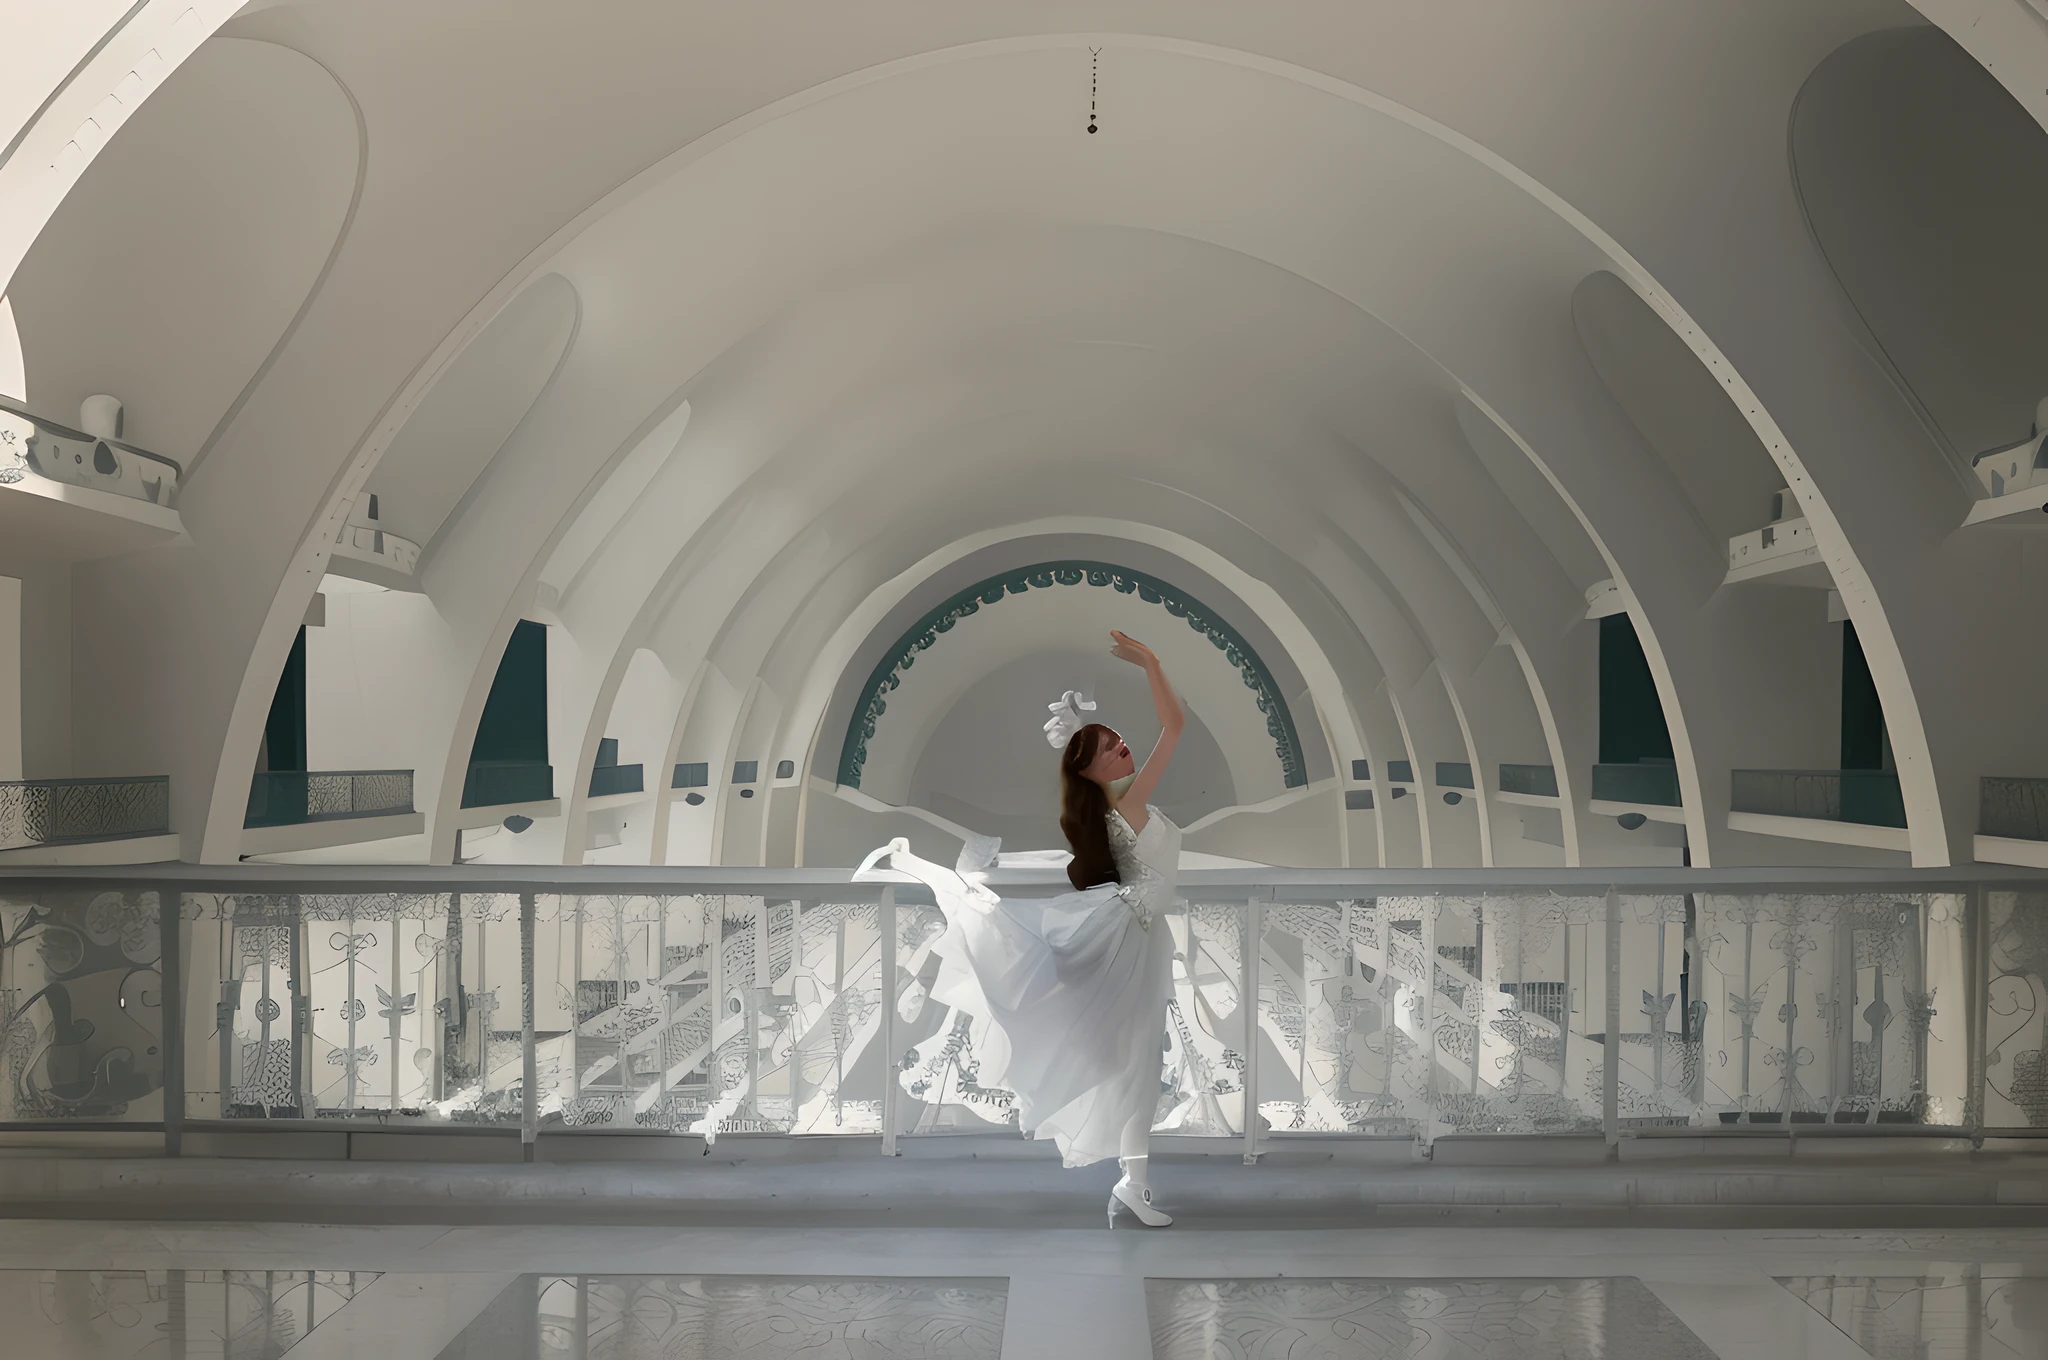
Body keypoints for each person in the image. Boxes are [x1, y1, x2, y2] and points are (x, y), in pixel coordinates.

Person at [854, 629, 1185, 1227]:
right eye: (1110, 748)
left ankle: (1134, 1182)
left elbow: (1122, 764)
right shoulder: (1124, 804)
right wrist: (1152, 663)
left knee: (1137, 1064)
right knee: (1132, 1063)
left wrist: (1089, 728)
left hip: (1133, 933)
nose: (1124, 749)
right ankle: (1132, 1183)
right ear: (1090, 770)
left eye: (1119, 742)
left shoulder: (1109, 805)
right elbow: (1175, 727)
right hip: (1127, 938)